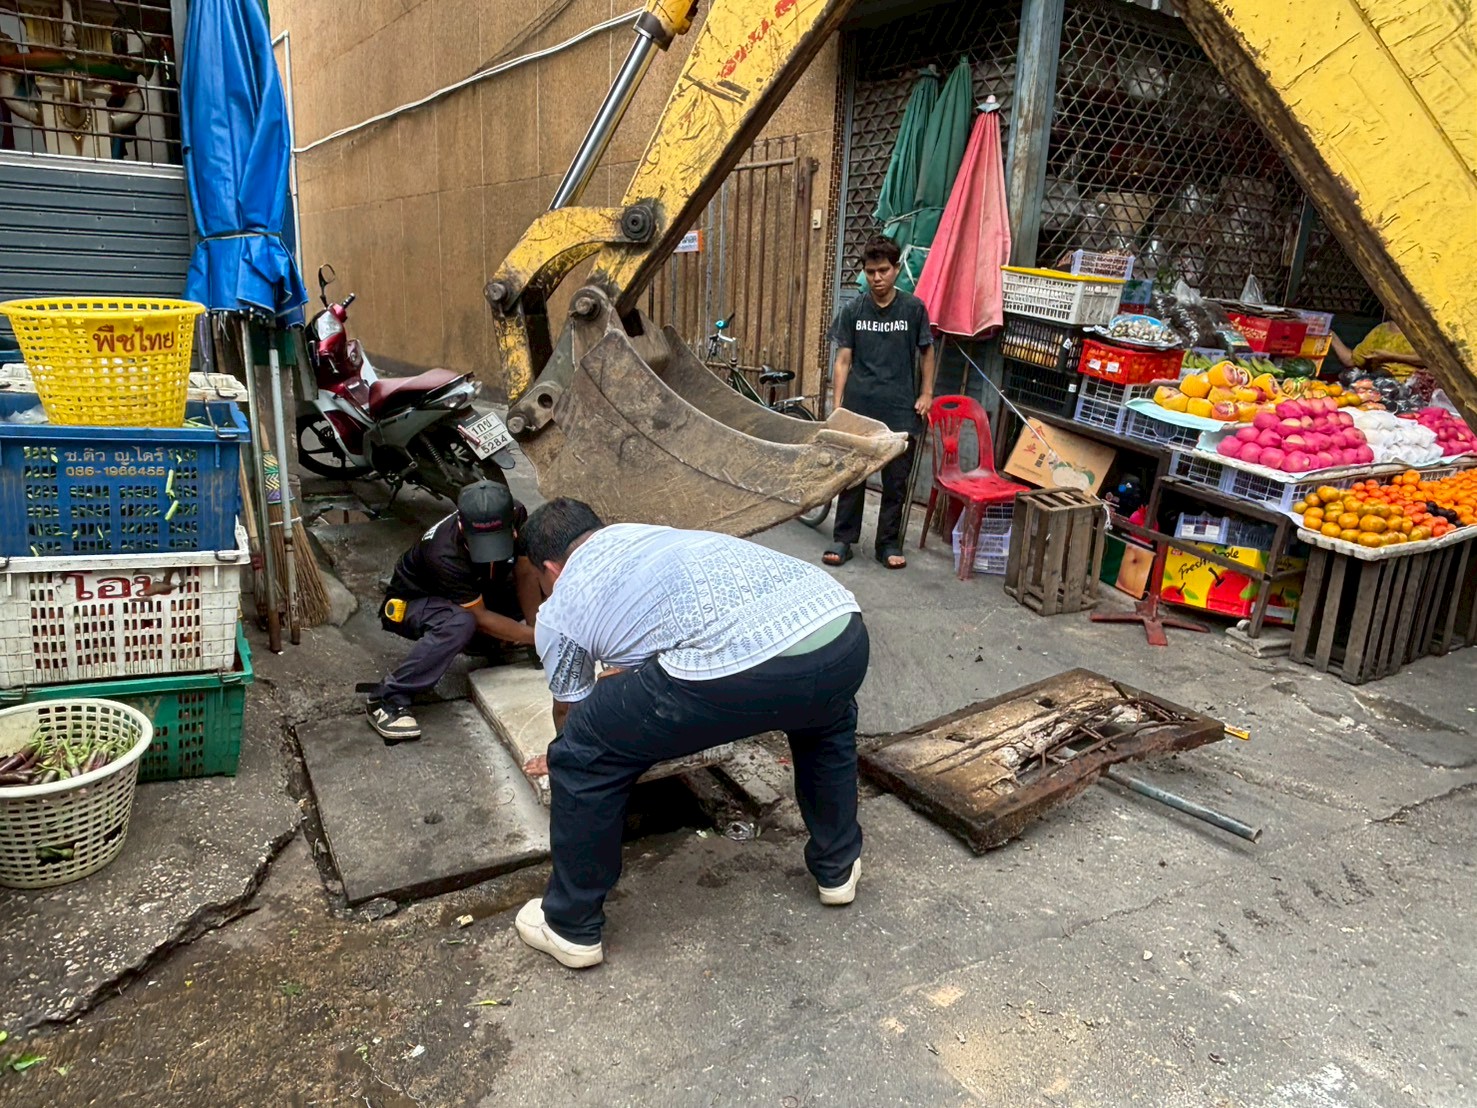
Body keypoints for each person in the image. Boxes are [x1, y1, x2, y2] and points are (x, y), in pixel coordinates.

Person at [513, 497, 871, 969]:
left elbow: (571, 707)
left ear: (550, 569)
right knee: (825, 719)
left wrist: (567, 753)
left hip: (745, 674)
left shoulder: (561, 606)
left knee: (583, 748)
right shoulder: (645, 534)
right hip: (840, 631)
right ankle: (838, 868)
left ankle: (569, 926)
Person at [366, 481, 543, 741]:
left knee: (547, 577)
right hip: (413, 603)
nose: (490, 551)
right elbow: (480, 616)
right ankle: (387, 698)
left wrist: (537, 629)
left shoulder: (516, 512)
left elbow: (525, 572)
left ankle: (492, 643)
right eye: (481, 544)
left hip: (476, 589)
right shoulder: (442, 553)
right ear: (462, 526)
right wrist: (539, 638)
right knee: (460, 623)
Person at [824, 235, 937, 571]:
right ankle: (843, 540)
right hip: (859, 409)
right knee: (852, 478)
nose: (877, 277)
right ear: (865, 271)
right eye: (871, 271)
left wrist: (927, 393)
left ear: (896, 269)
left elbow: (927, 352)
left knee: (895, 483)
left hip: (900, 410)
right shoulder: (853, 310)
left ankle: (887, 544)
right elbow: (843, 359)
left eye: (883, 270)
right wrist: (837, 407)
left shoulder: (913, 309)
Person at [1330, 320, 1424, 381]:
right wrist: (1331, 336)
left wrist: (1391, 357)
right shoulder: (1379, 331)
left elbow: (1430, 361)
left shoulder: (1423, 331)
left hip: (1413, 387)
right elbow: (1352, 361)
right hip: (1379, 384)